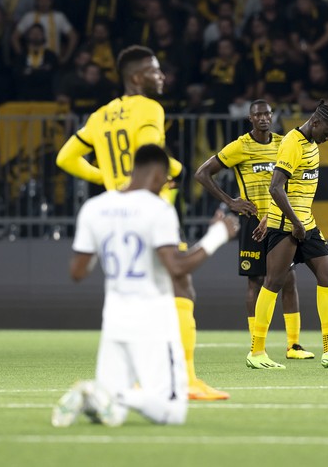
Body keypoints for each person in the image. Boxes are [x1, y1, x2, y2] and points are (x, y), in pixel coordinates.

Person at [56, 45, 230, 401]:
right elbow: (149, 151)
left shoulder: (101, 115)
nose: (161, 76)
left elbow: (65, 157)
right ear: (136, 77)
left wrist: (107, 178)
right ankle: (186, 380)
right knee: (182, 287)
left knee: (143, 295)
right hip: (152, 207)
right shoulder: (150, 107)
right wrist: (175, 170)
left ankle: (139, 378)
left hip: (115, 209)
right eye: (154, 70)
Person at [51, 144, 239, 428]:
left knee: (112, 416)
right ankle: (107, 393)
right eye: (164, 180)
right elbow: (176, 267)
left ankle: (97, 395)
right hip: (153, 320)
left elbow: (77, 272)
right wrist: (216, 236)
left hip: (114, 320)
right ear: (157, 174)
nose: (164, 186)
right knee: (172, 413)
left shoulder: (96, 208)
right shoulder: (158, 209)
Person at [246, 101, 328, 370]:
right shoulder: (292, 142)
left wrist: (302, 223)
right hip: (287, 226)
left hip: (306, 225)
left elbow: (298, 190)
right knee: (273, 282)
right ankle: (257, 351)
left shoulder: (312, 145)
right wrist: (290, 222)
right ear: (316, 122)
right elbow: (276, 188)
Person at [195, 100, 313, 360]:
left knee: (289, 280)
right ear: (250, 118)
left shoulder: (284, 143)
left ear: (272, 116)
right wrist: (230, 201)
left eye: (267, 113)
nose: (263, 118)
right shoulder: (240, 146)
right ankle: (256, 347)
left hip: (279, 221)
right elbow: (202, 173)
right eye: (258, 114)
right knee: (256, 281)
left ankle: (293, 346)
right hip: (252, 220)